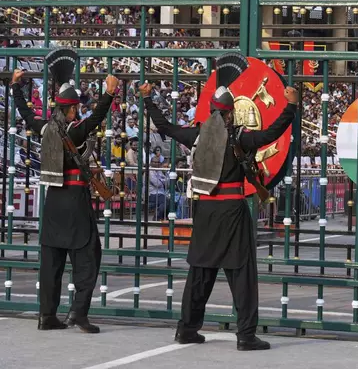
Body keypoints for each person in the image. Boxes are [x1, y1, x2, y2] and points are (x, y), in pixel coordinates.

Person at [141, 82, 298, 350]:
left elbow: (165, 127)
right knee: (242, 274)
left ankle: (187, 329)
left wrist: (147, 99)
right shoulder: (239, 137)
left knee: (200, 273)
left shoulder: (198, 135)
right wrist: (291, 106)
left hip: (205, 211)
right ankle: (246, 335)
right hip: (232, 211)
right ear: (230, 114)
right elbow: (271, 134)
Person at [10, 69, 118, 332]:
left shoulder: (45, 127)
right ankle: (78, 313)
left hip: (53, 202)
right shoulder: (75, 129)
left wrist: (15, 87)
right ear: (71, 110)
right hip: (75, 202)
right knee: (88, 258)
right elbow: (96, 118)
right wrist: (109, 93)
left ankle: (46, 315)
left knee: (51, 263)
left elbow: (26, 113)